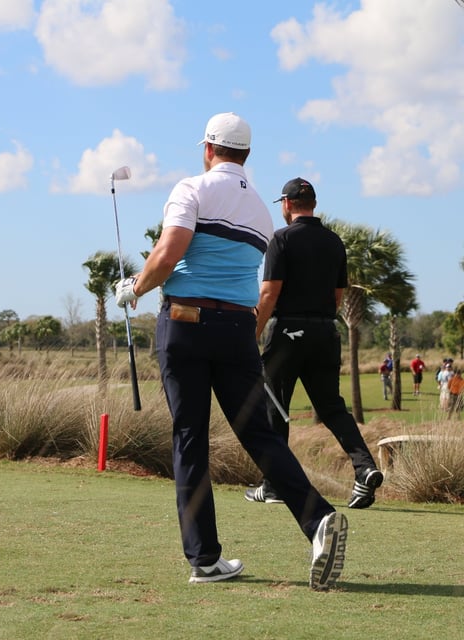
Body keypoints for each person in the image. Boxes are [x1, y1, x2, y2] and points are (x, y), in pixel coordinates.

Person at [115, 113, 347, 590]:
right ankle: (317, 519)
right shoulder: (262, 210)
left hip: (185, 325)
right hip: (239, 330)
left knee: (190, 439)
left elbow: (171, 251)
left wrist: (133, 287)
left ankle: (203, 558)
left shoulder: (191, 190)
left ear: (207, 149)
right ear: (245, 155)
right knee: (260, 434)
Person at [245, 177, 384, 509]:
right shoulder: (335, 242)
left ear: (288, 204)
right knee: (331, 407)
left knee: (276, 405)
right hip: (326, 332)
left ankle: (275, 484)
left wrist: (251, 335)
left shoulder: (281, 239)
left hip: (289, 333)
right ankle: (364, 468)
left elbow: (268, 294)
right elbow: (337, 298)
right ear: (314, 204)